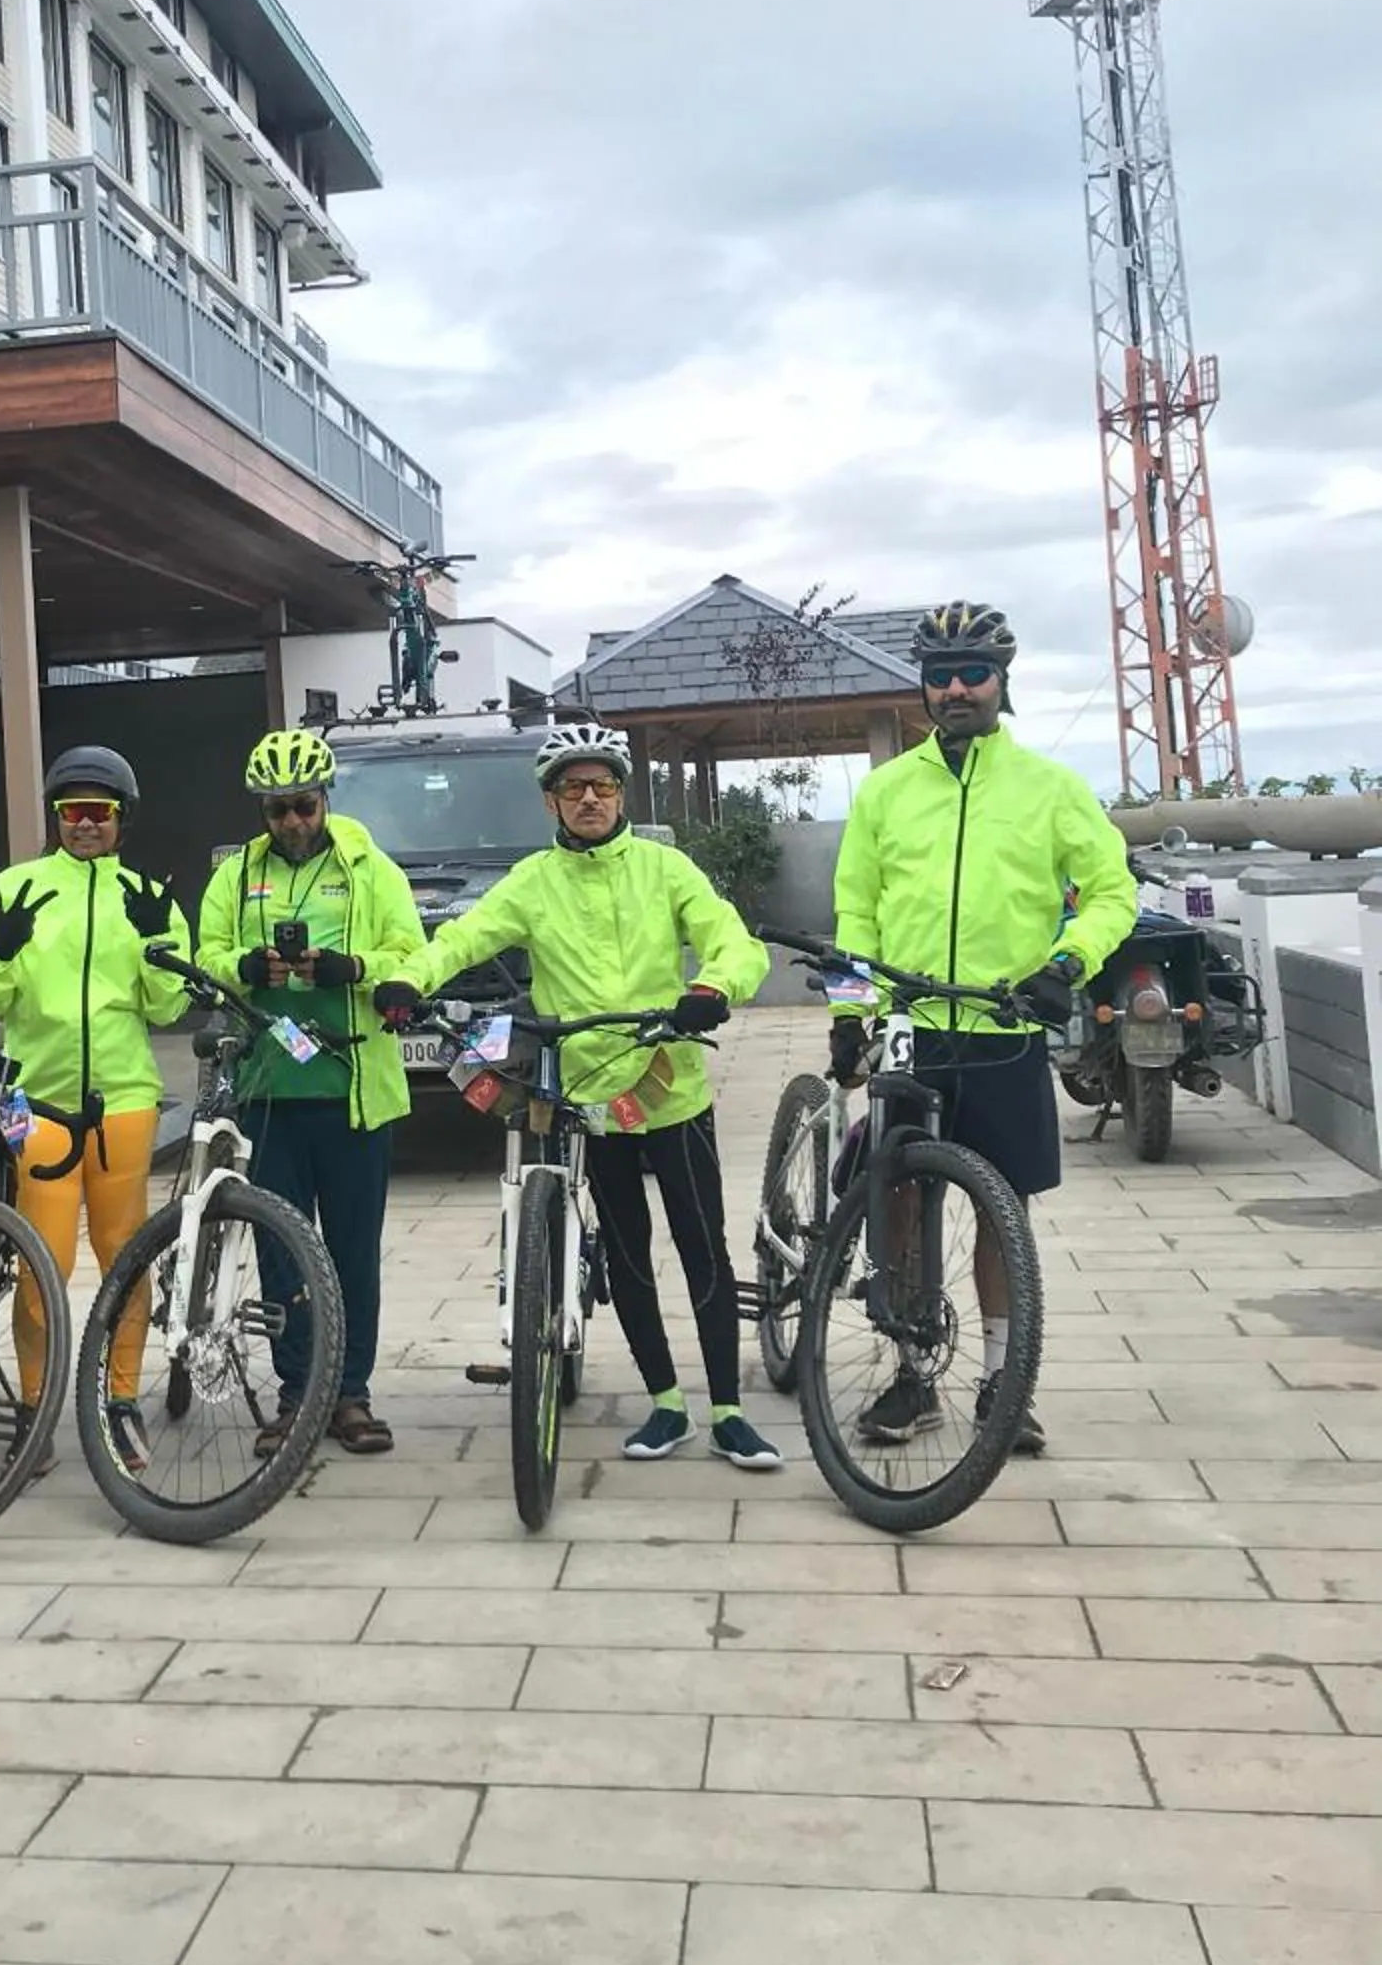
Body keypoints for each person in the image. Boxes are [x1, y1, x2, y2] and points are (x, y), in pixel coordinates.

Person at [379, 719, 780, 1470]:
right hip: (590, 1100)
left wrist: (713, 986)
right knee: (627, 1254)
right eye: (573, 788)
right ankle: (666, 1404)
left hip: (671, 1090)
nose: (589, 799)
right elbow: (463, 937)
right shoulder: (531, 881)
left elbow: (731, 940)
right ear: (551, 802)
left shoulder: (666, 868)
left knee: (704, 1250)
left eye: (602, 785)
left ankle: (728, 1410)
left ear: (622, 794)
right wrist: (409, 977)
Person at [831, 600, 1138, 1457]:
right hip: (912, 1024)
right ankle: (911, 1374)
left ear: (1002, 682)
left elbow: (1112, 891)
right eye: (940, 676)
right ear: (923, 688)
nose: (956, 689)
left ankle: (1004, 1382)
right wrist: (850, 1009)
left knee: (1004, 1212)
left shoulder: (1050, 788)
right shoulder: (887, 791)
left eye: (973, 673)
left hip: (1006, 1028)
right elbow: (856, 908)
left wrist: (1067, 962)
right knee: (897, 1199)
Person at [0, 747, 191, 1471]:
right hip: (34, 1104)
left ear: (123, 819)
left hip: (123, 1101)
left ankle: (121, 1401)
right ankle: (35, 1410)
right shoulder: (14, 889)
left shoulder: (147, 896)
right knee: (41, 1263)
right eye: (72, 812)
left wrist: (155, 943)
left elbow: (169, 1006)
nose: (85, 824)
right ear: (55, 817)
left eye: (100, 812)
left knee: (125, 1255)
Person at [196, 727, 427, 1457]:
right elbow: (206, 954)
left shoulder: (370, 868)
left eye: (303, 806)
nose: (292, 822)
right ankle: (298, 1394)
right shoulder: (236, 875)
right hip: (270, 1089)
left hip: (352, 1088)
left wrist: (351, 967)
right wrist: (246, 966)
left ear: (325, 799)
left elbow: (413, 952)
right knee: (281, 1253)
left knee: (352, 1253)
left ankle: (350, 1394)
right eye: (277, 810)